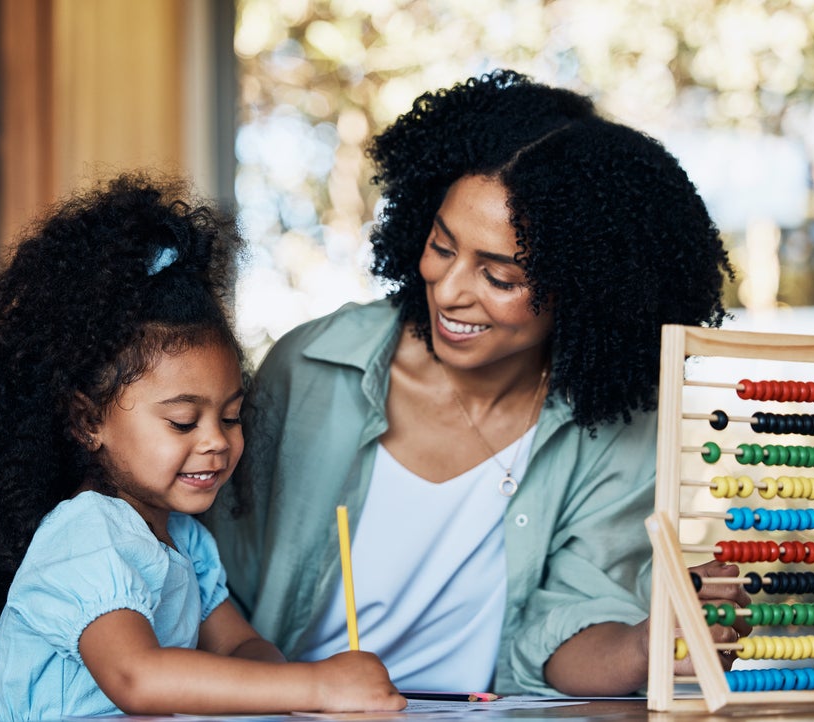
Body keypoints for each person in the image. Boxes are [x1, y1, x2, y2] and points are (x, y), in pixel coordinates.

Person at [207, 69, 749, 697]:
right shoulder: (312, 368)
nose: (450, 290)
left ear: (583, 291)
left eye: (500, 277)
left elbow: (566, 633)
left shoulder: (616, 431)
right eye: (442, 246)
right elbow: (208, 581)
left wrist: (647, 644)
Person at [0, 173, 405, 721]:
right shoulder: (86, 536)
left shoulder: (186, 543)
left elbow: (239, 647)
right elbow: (137, 678)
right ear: (89, 421)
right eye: (183, 422)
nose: (217, 441)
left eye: (231, 416)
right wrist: (315, 687)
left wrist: (283, 679)